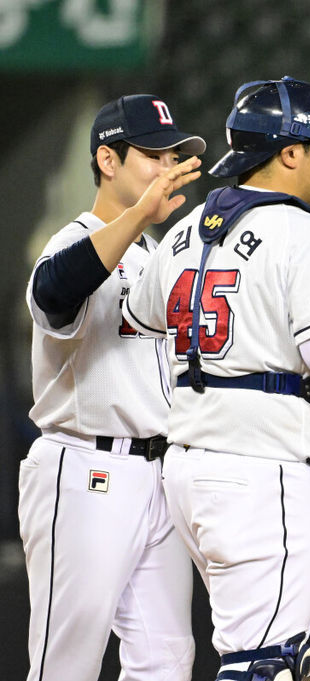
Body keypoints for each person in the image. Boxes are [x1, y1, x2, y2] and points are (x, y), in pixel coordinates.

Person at [122, 77, 310, 679]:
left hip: (188, 469)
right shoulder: (306, 231)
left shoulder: (186, 232)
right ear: (289, 152)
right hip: (259, 470)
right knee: (266, 664)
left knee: (304, 643)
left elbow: (141, 315)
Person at [21, 95, 204, 679]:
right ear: (107, 159)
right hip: (83, 469)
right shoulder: (69, 240)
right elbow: (52, 293)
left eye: (174, 155)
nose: (167, 167)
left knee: (167, 660)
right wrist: (137, 219)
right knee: (65, 662)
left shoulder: (155, 254)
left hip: (157, 472)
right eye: (153, 154)